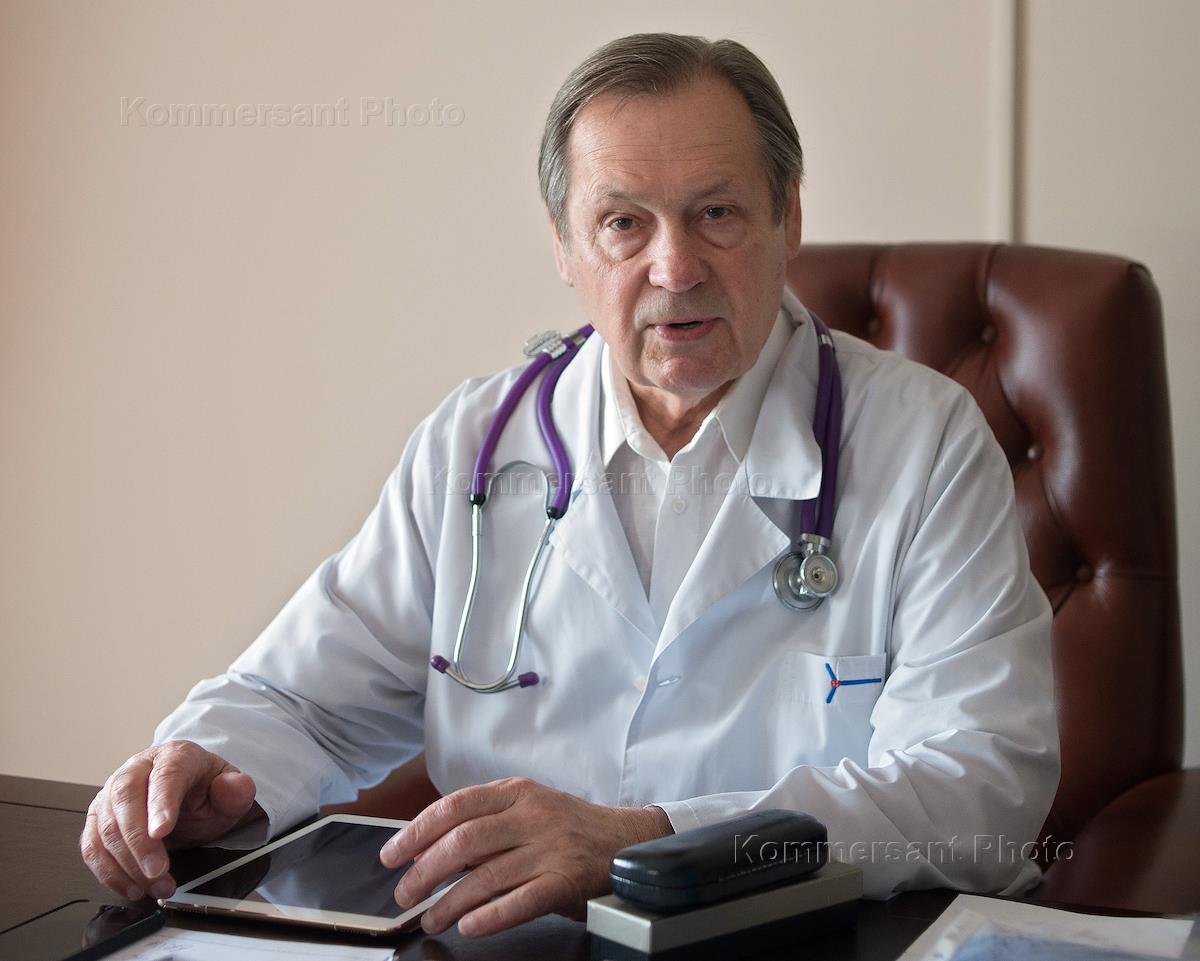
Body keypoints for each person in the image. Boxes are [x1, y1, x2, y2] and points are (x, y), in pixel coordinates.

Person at [80, 33, 1059, 938]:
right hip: (514, 945)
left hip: (806, 938)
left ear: (788, 215)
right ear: (564, 244)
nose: (674, 266)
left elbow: (978, 784)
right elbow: (305, 700)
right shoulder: (475, 444)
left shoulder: (925, 442)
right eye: (624, 223)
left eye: (716, 213)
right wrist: (205, 769)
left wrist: (648, 838)